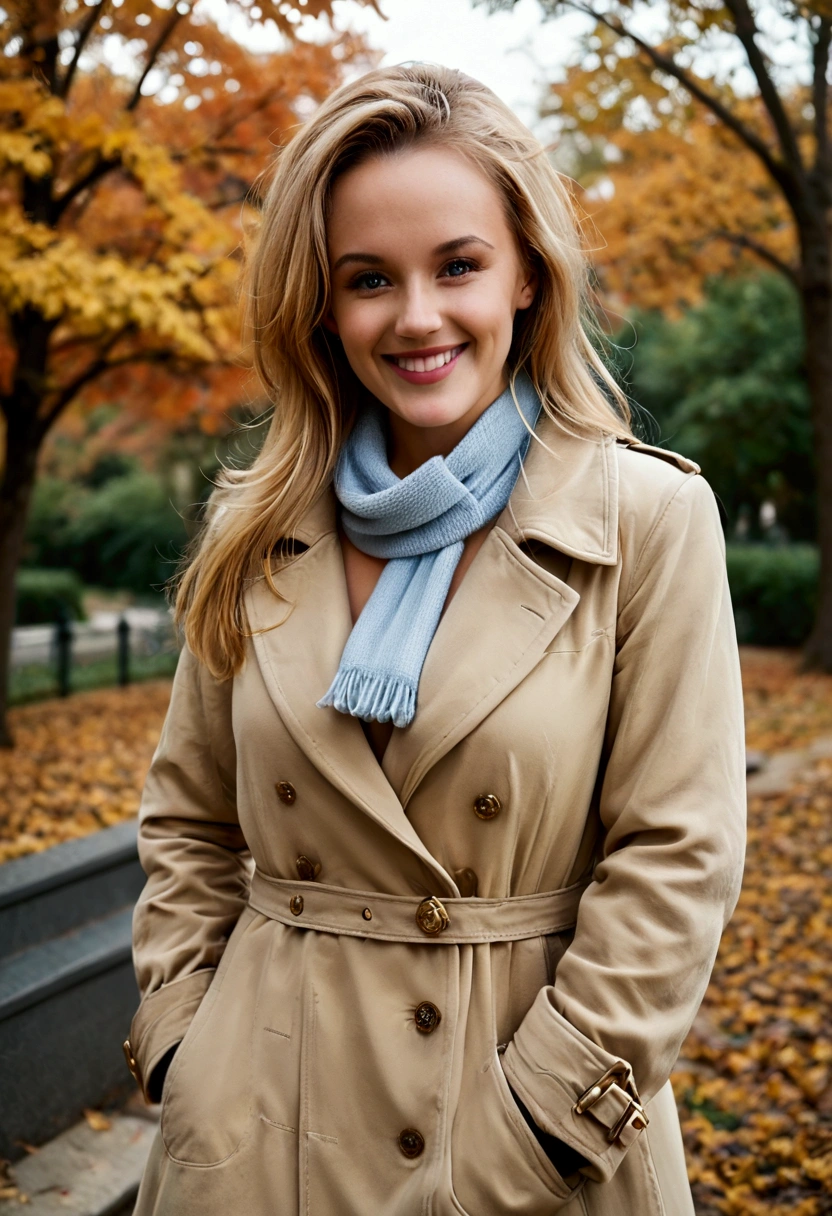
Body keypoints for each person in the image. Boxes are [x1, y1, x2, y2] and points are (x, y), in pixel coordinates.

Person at [123, 63, 746, 1216]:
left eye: (457, 265)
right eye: (369, 279)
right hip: (261, 1133)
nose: (415, 317)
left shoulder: (645, 519)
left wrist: (534, 1133)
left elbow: (677, 858)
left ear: (525, 276)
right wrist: (182, 1044)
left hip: (524, 1130)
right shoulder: (258, 523)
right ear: (322, 303)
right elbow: (188, 819)